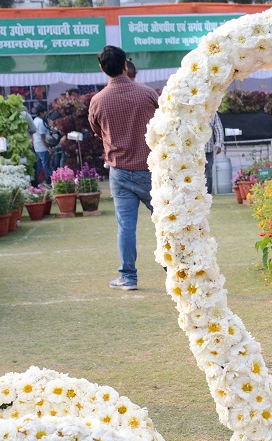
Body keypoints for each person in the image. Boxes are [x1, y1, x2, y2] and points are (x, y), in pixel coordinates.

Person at [88, 45, 159, 292]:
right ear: (125, 65)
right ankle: (177, 271)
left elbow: (97, 131)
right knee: (164, 222)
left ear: (102, 68)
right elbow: (162, 124)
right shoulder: (148, 93)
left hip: (119, 170)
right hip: (150, 169)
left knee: (126, 226)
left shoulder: (97, 101)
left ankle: (128, 277)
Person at [31, 104, 50, 188]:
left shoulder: (35, 120)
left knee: (39, 164)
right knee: (45, 163)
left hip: (36, 146)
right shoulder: (41, 122)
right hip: (42, 147)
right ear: (41, 113)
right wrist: (47, 148)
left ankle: (35, 181)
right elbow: (43, 136)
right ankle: (49, 179)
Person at [205, 111, 225, 192]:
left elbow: (218, 129)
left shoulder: (212, 111)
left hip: (208, 150)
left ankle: (207, 197)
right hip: (193, 151)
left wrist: (219, 143)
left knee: (208, 174)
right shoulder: (191, 109)